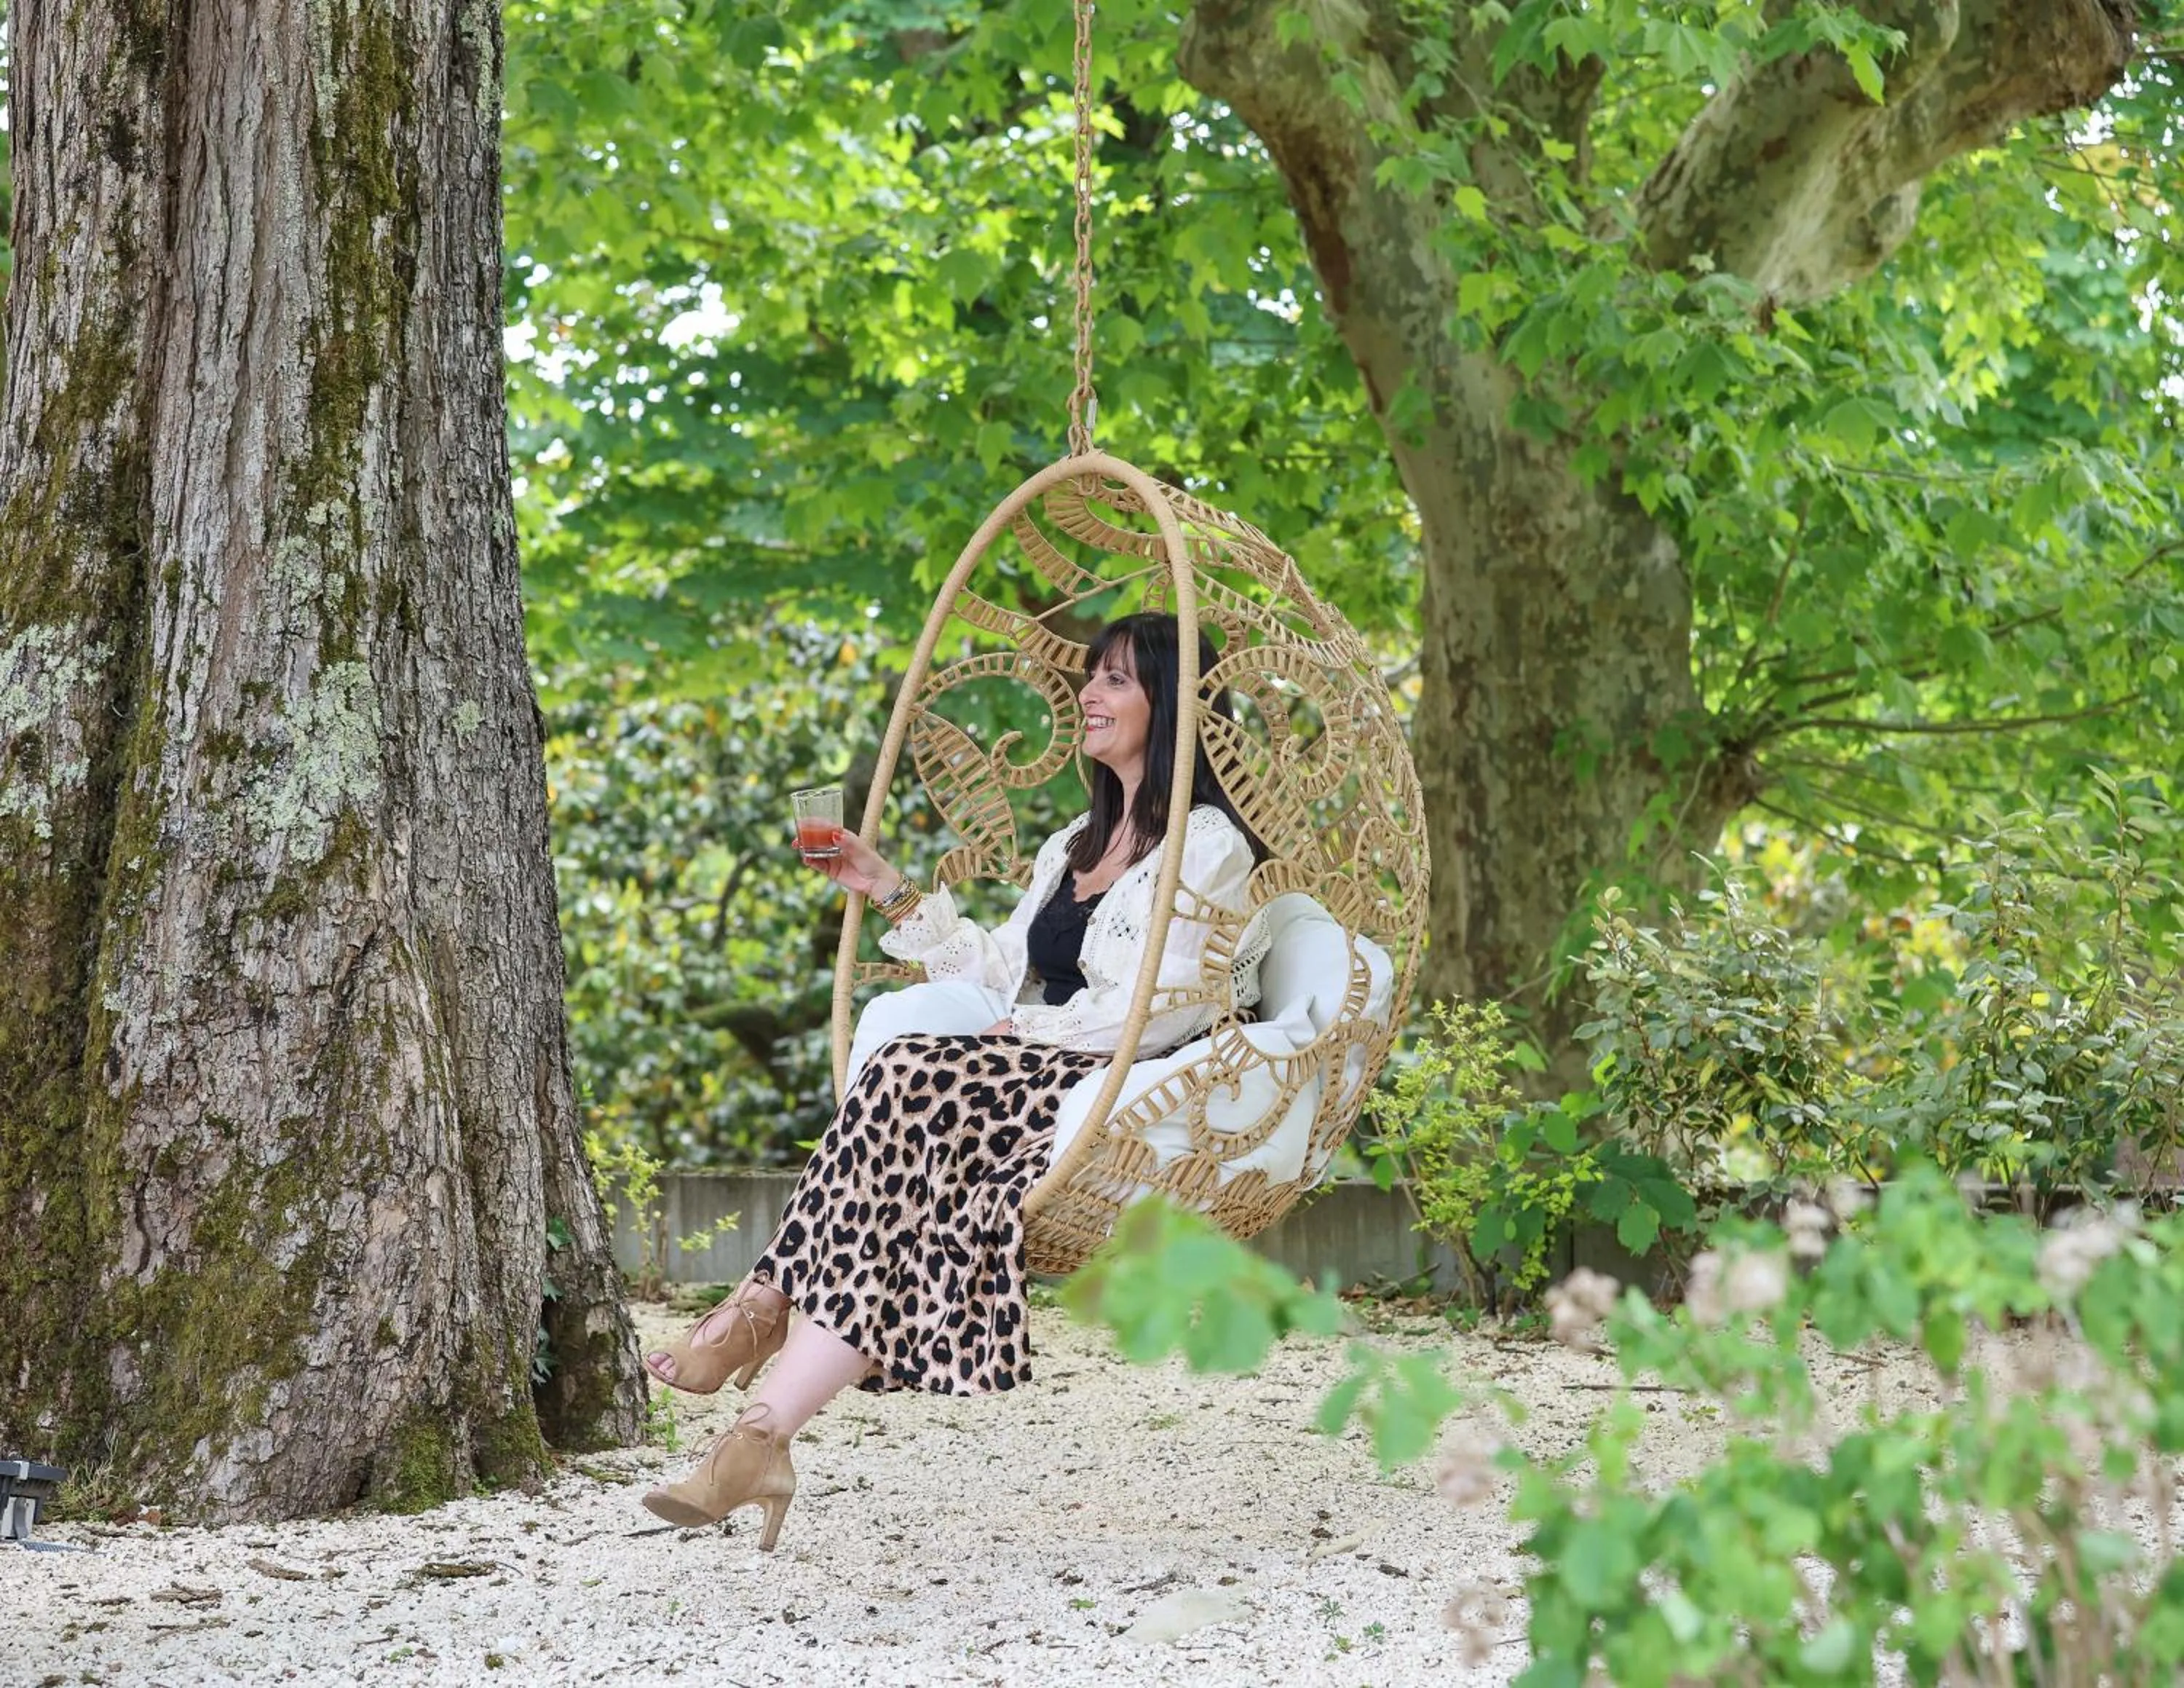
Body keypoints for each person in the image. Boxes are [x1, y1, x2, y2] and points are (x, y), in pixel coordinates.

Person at [639, 612, 1262, 1546]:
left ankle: (761, 1307)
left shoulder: (1208, 843)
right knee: (897, 1156)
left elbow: (1169, 1002)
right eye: (1091, 675)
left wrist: (1032, 1029)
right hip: (1011, 1063)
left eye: (1119, 680)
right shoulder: (1075, 843)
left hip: (1102, 1076)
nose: (1090, 694)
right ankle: (759, 1434)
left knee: (905, 1082)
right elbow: (1000, 969)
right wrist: (886, 885)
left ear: (1171, 703)